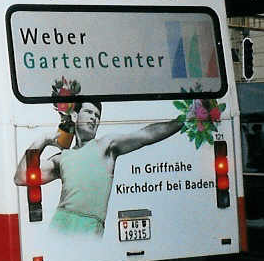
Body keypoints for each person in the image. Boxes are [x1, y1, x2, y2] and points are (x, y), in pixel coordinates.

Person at [14, 99, 181, 236]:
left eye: (97, 115)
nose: (94, 118)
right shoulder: (62, 157)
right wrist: (42, 140)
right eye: (89, 112)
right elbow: (21, 177)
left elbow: (146, 135)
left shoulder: (106, 145)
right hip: (60, 224)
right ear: (74, 116)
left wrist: (182, 121)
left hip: (90, 227)